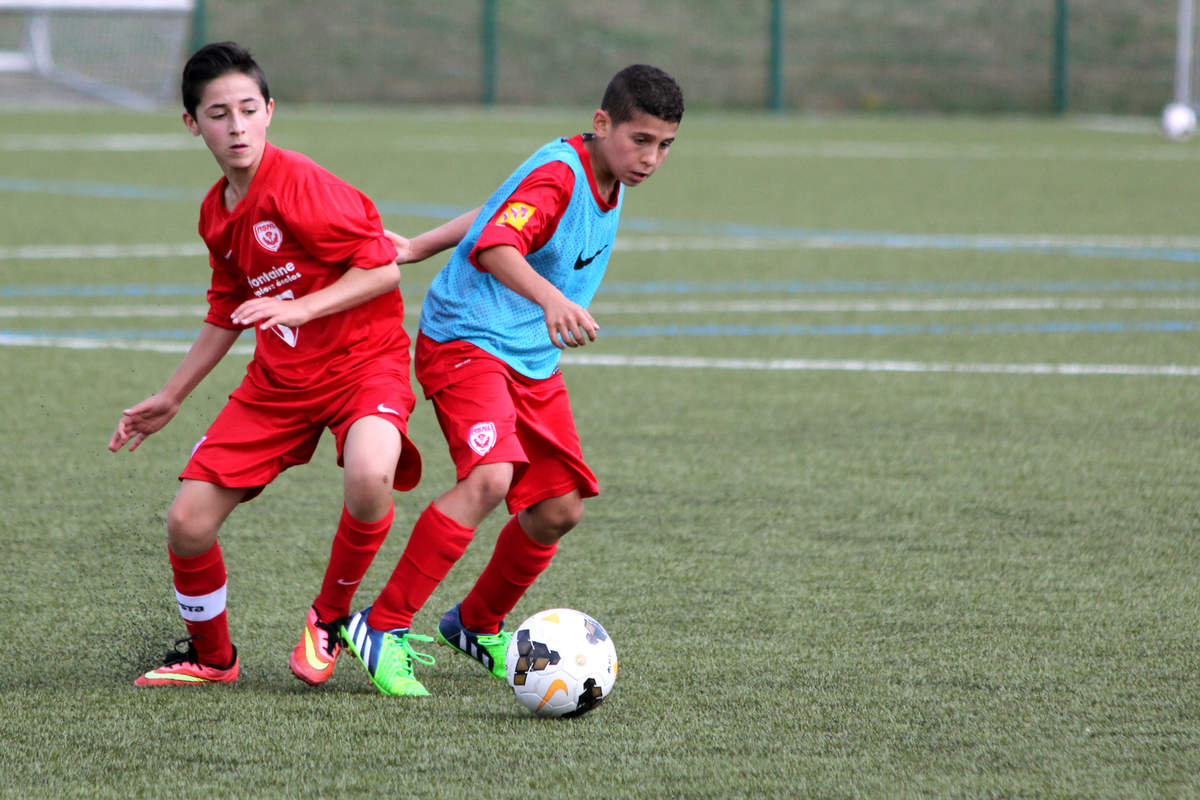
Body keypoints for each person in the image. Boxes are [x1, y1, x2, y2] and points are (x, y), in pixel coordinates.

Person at [340, 64, 684, 696]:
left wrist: (417, 246)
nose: (652, 158)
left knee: (558, 510)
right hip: (465, 340)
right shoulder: (562, 171)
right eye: (641, 140)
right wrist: (551, 299)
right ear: (601, 124)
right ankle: (381, 625)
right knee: (491, 477)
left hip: (528, 359)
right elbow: (498, 242)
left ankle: (475, 624)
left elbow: (501, 206)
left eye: (665, 145)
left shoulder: (607, 173)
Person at [108, 41, 422, 687]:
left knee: (369, 476)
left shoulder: (301, 182)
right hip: (280, 381)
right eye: (218, 113)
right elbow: (228, 307)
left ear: (270, 111)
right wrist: (171, 396)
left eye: (248, 109)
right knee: (188, 522)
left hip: (365, 364)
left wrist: (302, 308)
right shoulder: (215, 212)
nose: (236, 126)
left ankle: (330, 618)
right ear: (193, 123)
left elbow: (382, 266)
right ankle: (212, 658)